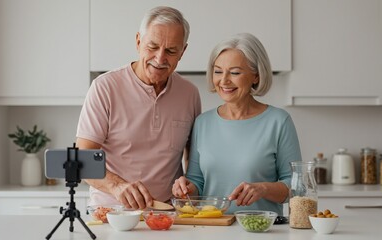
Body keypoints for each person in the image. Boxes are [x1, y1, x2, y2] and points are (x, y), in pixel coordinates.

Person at [76, 6, 201, 210]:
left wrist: (189, 185)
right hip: (112, 212)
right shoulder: (105, 87)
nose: (160, 59)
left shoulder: (190, 93)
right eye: (152, 47)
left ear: (183, 51)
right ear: (138, 41)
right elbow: (82, 159)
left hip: (168, 214)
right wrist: (118, 186)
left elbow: (192, 158)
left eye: (170, 51)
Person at [172, 33, 301, 215]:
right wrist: (186, 188)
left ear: (255, 76)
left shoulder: (279, 121)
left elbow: (295, 187)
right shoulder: (203, 122)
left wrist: (264, 189)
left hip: (261, 231)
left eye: (234, 72)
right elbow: (197, 182)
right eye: (218, 71)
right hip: (212, 229)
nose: (224, 80)